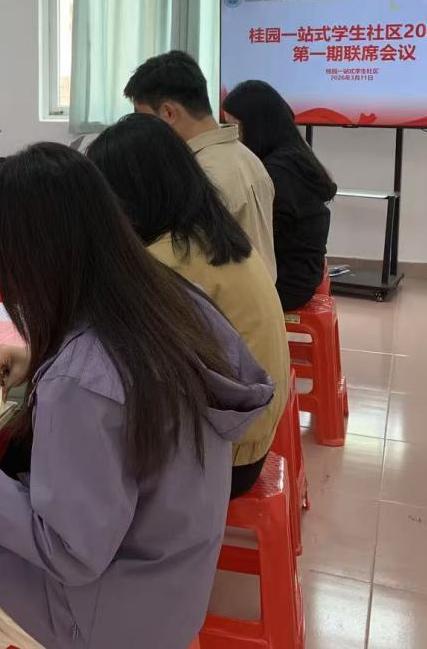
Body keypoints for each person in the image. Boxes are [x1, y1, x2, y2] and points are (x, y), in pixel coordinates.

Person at [0, 143, 273, 649]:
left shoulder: (81, 381)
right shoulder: (169, 295)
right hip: (176, 578)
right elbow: (131, 377)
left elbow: (70, 552)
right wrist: (42, 359)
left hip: (115, 612)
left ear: (25, 255)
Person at [87, 113, 290, 498]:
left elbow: (115, 361)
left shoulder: (170, 261)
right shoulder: (205, 232)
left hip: (225, 458)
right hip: (249, 435)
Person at [124, 51, 277, 280]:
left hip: (218, 298)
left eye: (143, 119)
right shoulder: (248, 158)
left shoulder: (200, 175)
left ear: (168, 112)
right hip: (257, 291)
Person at [223, 80, 339, 310]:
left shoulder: (278, 171)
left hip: (286, 283)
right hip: (301, 274)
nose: (231, 136)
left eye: (233, 127)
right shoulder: (292, 156)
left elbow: (259, 236)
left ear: (255, 126)